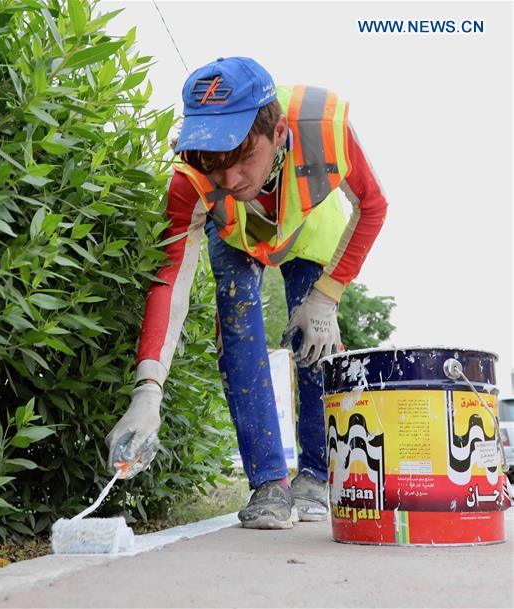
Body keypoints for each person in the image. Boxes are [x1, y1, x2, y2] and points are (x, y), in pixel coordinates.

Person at [105, 57, 388, 529]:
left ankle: (316, 474)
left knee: (314, 340)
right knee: (236, 322)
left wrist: (328, 295)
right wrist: (147, 391)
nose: (231, 180)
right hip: (237, 236)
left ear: (278, 133)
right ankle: (269, 484)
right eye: (216, 163)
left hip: (309, 226)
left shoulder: (325, 129)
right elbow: (170, 281)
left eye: (242, 158)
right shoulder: (193, 176)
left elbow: (374, 206)